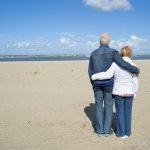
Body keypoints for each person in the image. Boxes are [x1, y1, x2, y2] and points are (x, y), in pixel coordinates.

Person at [88, 33, 140, 137]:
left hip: (97, 83)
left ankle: (99, 130)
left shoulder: (93, 53)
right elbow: (123, 63)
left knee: (98, 106)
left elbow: (90, 70)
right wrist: (135, 70)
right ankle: (107, 131)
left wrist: (93, 82)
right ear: (109, 42)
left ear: (100, 42)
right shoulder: (113, 52)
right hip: (109, 84)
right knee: (108, 106)